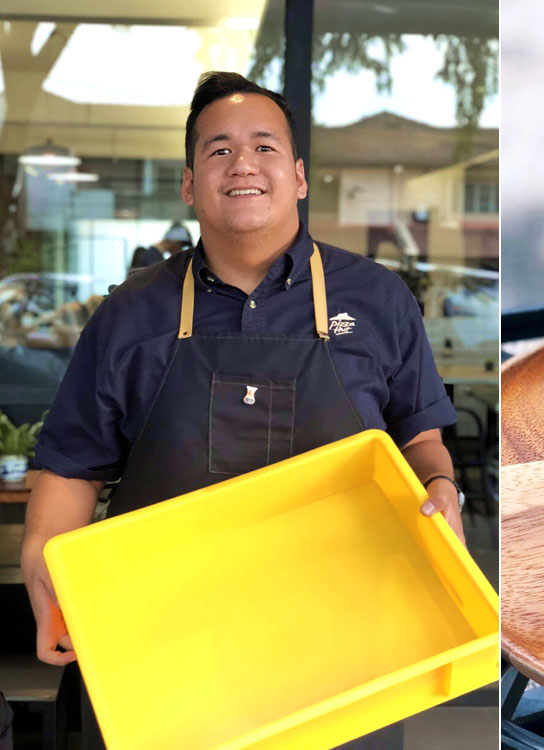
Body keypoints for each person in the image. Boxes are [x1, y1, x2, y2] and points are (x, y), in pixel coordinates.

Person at [20, 72, 464, 749]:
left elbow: (419, 440)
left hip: (343, 649)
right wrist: (41, 554)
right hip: (166, 650)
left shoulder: (380, 300)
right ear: (189, 184)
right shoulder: (130, 313)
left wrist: (441, 486)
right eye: (219, 150)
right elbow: (73, 467)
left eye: (264, 146)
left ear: (300, 176)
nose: (243, 164)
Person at [126, 221, 192, 276]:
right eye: (181, 245)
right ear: (175, 242)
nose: (181, 249)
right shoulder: (154, 259)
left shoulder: (152, 255)